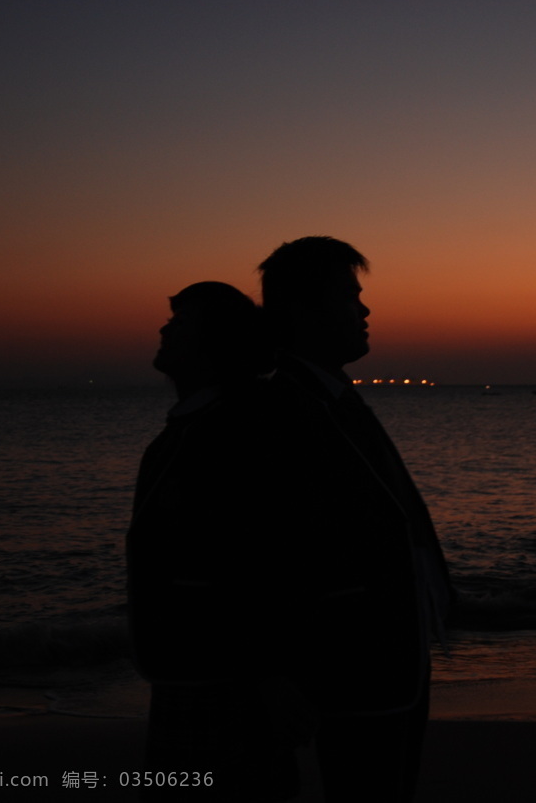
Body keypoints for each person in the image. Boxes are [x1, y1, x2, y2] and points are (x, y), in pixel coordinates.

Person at [256, 236, 454, 802]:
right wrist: (270, 671)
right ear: (302, 310)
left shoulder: (336, 399)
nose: (363, 310)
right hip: (350, 668)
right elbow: (254, 548)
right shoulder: (285, 410)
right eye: (348, 296)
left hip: (391, 660)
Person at [126, 281, 301, 801]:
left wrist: (273, 677)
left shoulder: (233, 429)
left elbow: (263, 558)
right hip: (194, 671)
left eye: (180, 324)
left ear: (212, 344)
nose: (164, 330)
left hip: (223, 679)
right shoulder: (194, 427)